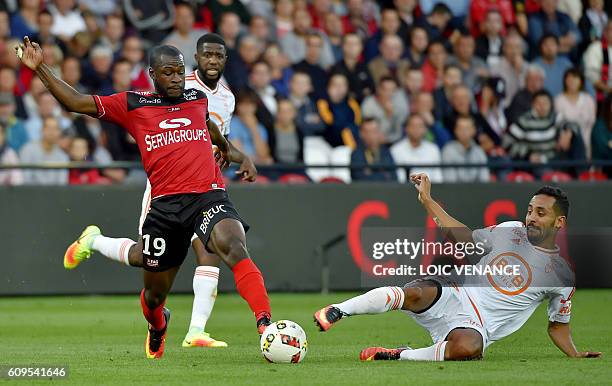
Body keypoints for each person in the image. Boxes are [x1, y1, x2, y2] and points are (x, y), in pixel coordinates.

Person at [16, 36, 271, 359]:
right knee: (153, 295)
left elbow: (214, 134)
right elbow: (76, 101)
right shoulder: (133, 104)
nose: (177, 78)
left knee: (232, 246)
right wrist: (40, 69)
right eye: (169, 72)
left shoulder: (196, 99)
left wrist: (238, 156)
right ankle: (158, 324)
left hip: (208, 195)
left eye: (180, 72)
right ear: (153, 74)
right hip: (164, 207)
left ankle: (265, 324)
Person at [314, 181, 602, 362]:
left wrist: (574, 353)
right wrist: (428, 201)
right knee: (415, 291)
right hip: (455, 295)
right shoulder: (509, 230)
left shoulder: (562, 277)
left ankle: (399, 355)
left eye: (541, 213)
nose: (531, 218)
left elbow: (557, 325)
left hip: (477, 326)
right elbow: (465, 239)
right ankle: (338, 310)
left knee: (469, 348)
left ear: (559, 222)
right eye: (530, 210)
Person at [554, 68, 596, 159]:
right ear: (564, 81)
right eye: (569, 78)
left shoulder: (588, 99)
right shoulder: (559, 99)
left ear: (581, 81)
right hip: (566, 142)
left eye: (575, 77)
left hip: (586, 142)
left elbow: (592, 123)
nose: (572, 81)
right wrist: (569, 133)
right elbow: (559, 122)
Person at [390, 114, 443, 183]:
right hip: (404, 191)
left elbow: (438, 177)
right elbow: (399, 178)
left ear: (425, 129)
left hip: (429, 191)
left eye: (420, 126)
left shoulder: (433, 149)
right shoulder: (395, 150)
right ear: (406, 128)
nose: (416, 129)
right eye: (413, 126)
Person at [19, 116, 69, 185]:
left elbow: (62, 183)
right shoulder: (28, 149)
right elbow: (25, 178)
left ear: (59, 132)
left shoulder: (63, 156)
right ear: (42, 130)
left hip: (54, 194)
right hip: (31, 193)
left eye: (55, 129)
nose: (52, 132)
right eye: (49, 128)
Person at [441, 115, 490, 182]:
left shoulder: (479, 151)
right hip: (454, 191)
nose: (464, 132)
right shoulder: (448, 151)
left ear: (474, 130)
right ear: (455, 131)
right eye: (460, 128)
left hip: (477, 191)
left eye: (467, 128)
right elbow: (449, 182)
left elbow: (484, 179)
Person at [349, 118, 397, 182]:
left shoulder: (386, 152)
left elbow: (393, 177)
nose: (371, 136)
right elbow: (359, 178)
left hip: (386, 191)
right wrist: (383, 173)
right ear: (361, 134)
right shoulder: (356, 154)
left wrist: (370, 172)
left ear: (379, 133)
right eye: (368, 132)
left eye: (374, 131)